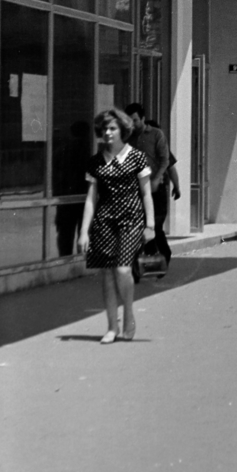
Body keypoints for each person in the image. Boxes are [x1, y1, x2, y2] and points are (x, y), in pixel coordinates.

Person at [78, 108, 154, 343]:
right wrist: (84, 231)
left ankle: (129, 314)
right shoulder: (96, 162)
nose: (108, 133)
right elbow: (91, 198)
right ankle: (112, 326)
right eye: (104, 129)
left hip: (131, 219)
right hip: (104, 221)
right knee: (108, 275)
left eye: (112, 128)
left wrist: (150, 224)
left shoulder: (137, 157)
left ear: (123, 130)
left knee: (122, 269)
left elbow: (146, 193)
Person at [126, 102, 175, 272]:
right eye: (129, 121)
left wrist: (156, 179)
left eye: (135, 120)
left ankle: (164, 254)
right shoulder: (128, 138)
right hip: (136, 191)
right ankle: (142, 265)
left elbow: (165, 161)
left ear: (143, 118)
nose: (133, 124)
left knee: (156, 226)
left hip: (156, 190)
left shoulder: (156, 135)